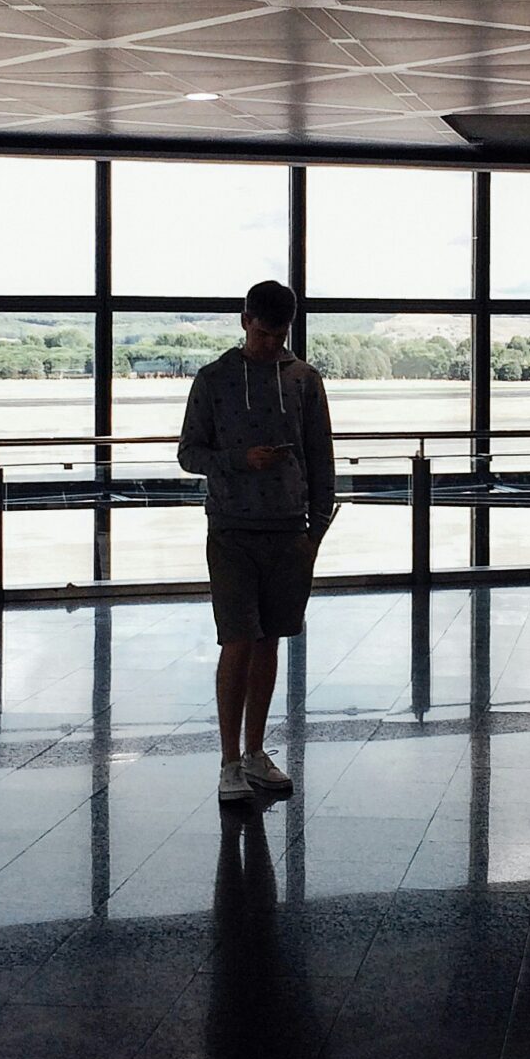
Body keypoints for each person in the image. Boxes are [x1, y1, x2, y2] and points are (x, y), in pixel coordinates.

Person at [177, 279, 335, 808]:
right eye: (264, 333)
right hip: (232, 532)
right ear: (245, 321)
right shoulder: (214, 379)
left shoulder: (305, 381)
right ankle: (228, 760)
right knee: (238, 640)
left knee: (268, 640)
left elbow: (321, 458)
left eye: (280, 335)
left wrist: (314, 532)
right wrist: (240, 461)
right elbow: (188, 454)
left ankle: (254, 752)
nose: (271, 344)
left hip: (288, 532)